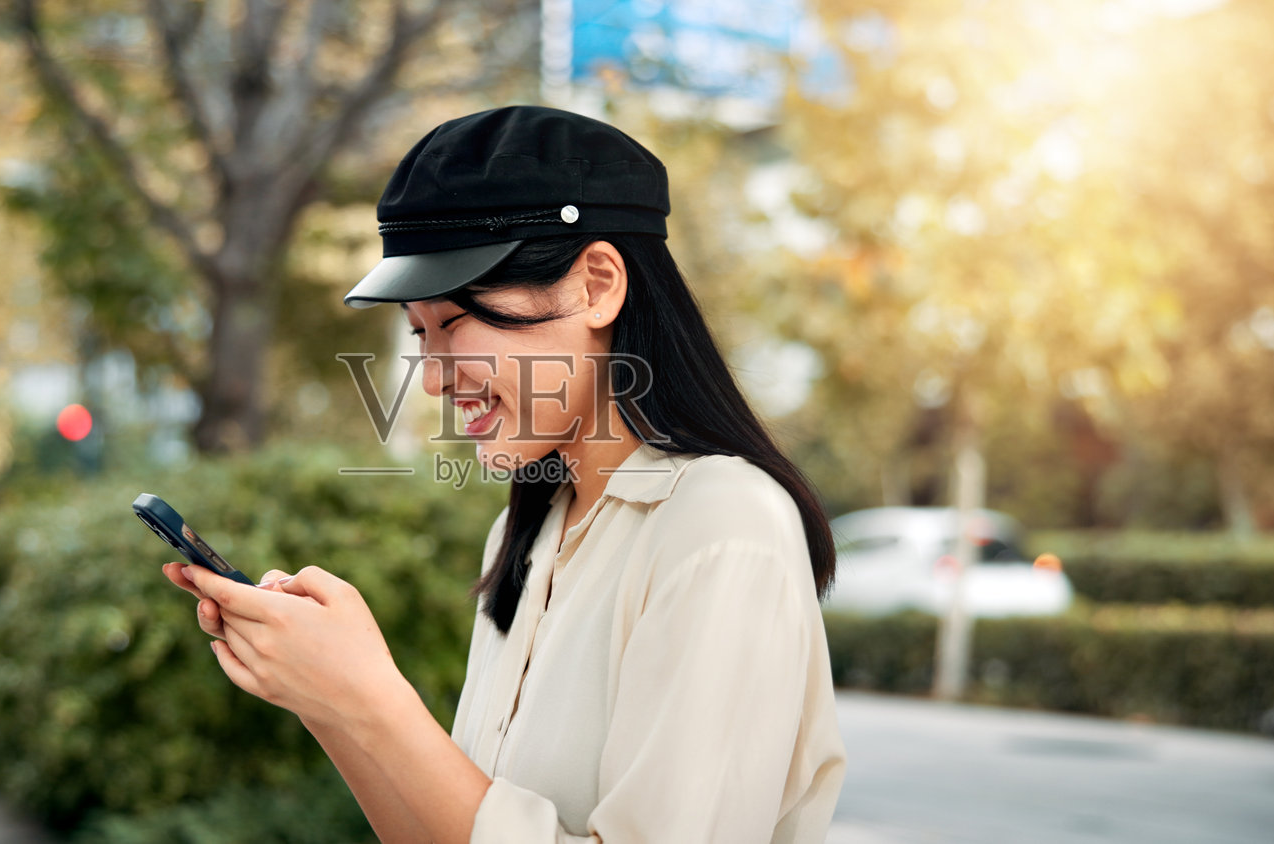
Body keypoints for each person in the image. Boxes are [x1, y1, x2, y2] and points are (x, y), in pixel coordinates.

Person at [162, 105, 847, 843]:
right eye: (420, 333)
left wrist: (373, 699)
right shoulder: (526, 532)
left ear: (596, 284)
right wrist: (329, 701)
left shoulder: (721, 526)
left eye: (457, 323)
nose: (432, 379)